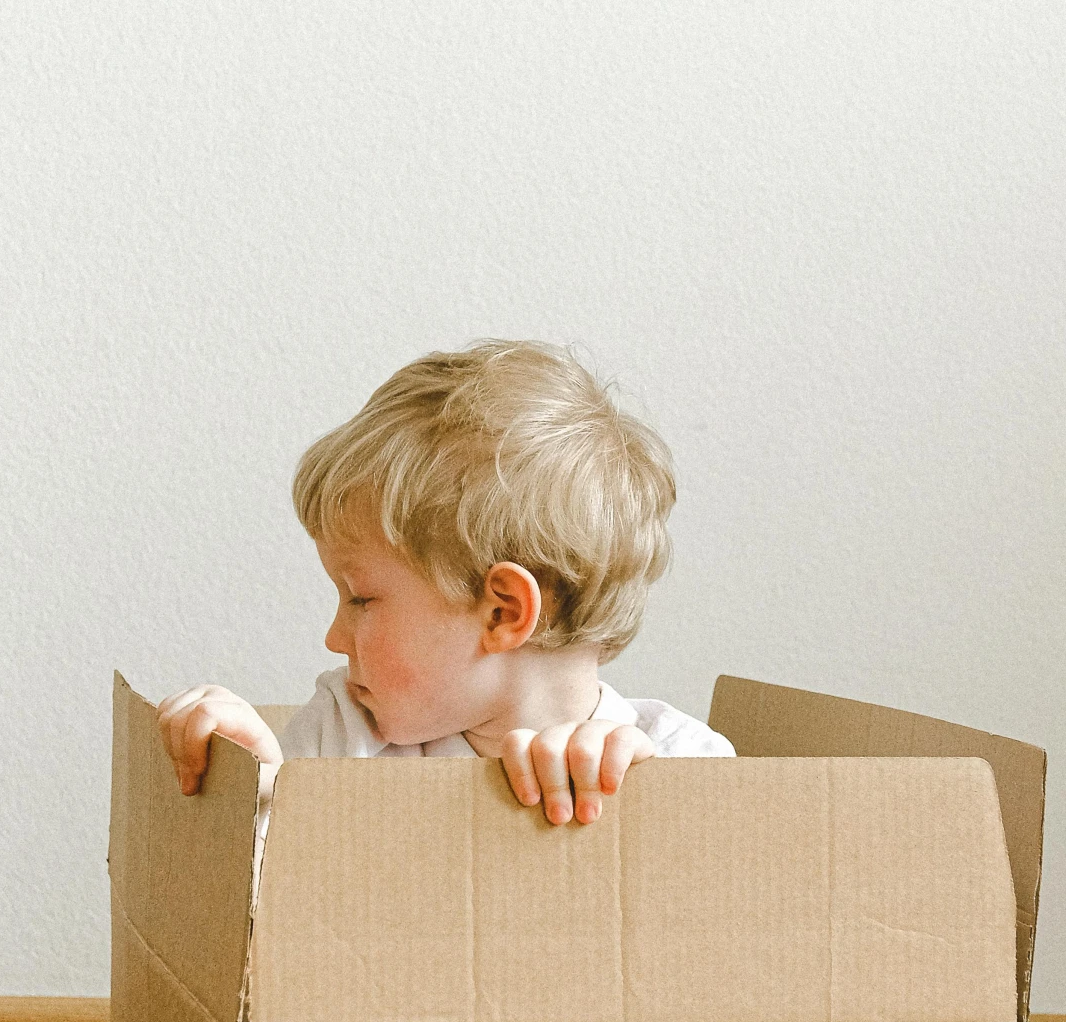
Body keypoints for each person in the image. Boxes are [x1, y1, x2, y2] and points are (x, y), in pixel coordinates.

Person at [158, 339, 733, 828]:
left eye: (360, 598)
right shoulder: (342, 738)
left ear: (502, 613)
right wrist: (252, 794)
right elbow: (258, 925)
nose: (334, 636)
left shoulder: (683, 759)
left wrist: (654, 802)